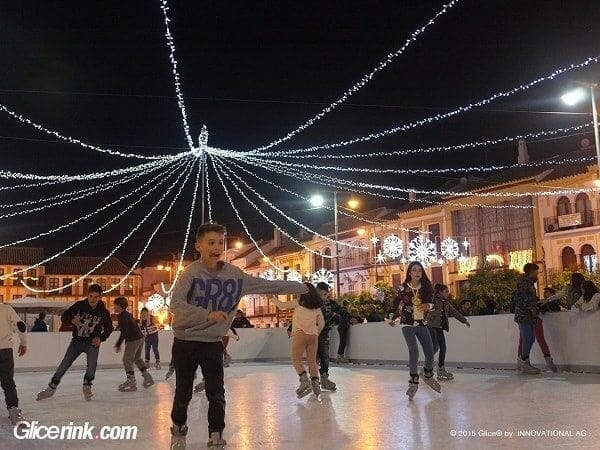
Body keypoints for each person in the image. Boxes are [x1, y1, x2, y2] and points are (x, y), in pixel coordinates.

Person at [169, 223, 309, 449]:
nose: (217, 247)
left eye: (221, 243)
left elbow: (266, 285)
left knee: (216, 392)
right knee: (183, 391)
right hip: (185, 341)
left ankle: (216, 434)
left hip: (212, 343)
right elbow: (175, 304)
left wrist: (303, 287)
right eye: (211, 242)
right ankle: (178, 429)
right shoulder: (191, 273)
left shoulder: (235, 276)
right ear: (199, 246)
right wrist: (207, 313)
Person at [36, 284, 113, 401]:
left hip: (92, 343)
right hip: (77, 341)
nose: (92, 299)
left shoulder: (103, 312)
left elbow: (109, 328)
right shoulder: (79, 306)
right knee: (65, 363)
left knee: (92, 365)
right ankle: (52, 387)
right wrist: (72, 320)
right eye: (90, 296)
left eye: (96, 297)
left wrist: (100, 338)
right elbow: (64, 317)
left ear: (100, 297)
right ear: (87, 295)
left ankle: (87, 385)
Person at [388, 261, 441, 400]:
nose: (417, 272)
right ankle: (413, 382)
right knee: (414, 351)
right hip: (407, 324)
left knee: (430, 352)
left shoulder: (426, 288)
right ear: (409, 272)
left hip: (422, 323)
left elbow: (434, 306)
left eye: (419, 270)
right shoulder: (403, 288)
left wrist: (428, 306)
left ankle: (427, 375)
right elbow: (395, 304)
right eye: (414, 270)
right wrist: (391, 318)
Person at [268, 285, 324, 398]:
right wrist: (316, 332)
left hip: (300, 333)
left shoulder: (298, 302)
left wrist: (271, 297)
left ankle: (304, 381)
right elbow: (322, 323)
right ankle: (316, 385)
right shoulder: (316, 307)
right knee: (312, 361)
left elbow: (282, 305)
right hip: (313, 335)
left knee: (295, 358)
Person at [427, 284, 470, 380]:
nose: (448, 293)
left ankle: (441, 369)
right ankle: (427, 368)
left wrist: (464, 320)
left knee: (443, 348)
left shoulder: (446, 303)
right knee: (434, 348)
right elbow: (426, 307)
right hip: (431, 327)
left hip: (439, 328)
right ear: (440, 292)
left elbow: (455, 312)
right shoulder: (433, 301)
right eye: (446, 291)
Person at [114, 297, 154, 392]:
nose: (114, 307)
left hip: (133, 339)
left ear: (119, 306)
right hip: (140, 338)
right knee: (137, 358)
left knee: (127, 359)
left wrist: (118, 344)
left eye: (115, 305)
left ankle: (131, 380)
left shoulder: (122, 316)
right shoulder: (127, 314)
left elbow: (124, 332)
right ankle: (147, 376)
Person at [516, 287, 558, 373]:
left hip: (526, 319)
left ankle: (521, 361)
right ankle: (548, 362)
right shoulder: (533, 300)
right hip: (532, 319)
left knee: (524, 340)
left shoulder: (522, 300)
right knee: (537, 340)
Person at [0, 299, 27, 424]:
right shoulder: (6, 308)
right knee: (8, 382)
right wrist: (23, 342)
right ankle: (13, 410)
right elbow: (20, 325)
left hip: (5, 350)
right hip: (5, 350)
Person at [513, 263, 542, 375]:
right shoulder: (525, 284)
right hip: (524, 315)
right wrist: (532, 309)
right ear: (532, 272)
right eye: (536, 272)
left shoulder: (527, 283)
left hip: (526, 315)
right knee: (528, 338)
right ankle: (525, 361)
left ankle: (523, 360)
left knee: (530, 338)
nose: (537, 274)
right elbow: (523, 300)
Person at [315, 282, 341, 392]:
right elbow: (300, 315)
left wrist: (349, 318)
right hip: (312, 334)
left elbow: (340, 311)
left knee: (325, 357)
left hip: (324, 333)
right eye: (322, 294)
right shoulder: (311, 303)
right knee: (313, 358)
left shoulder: (330, 304)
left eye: (326, 294)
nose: (324, 297)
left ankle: (324, 379)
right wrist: (291, 328)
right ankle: (314, 380)